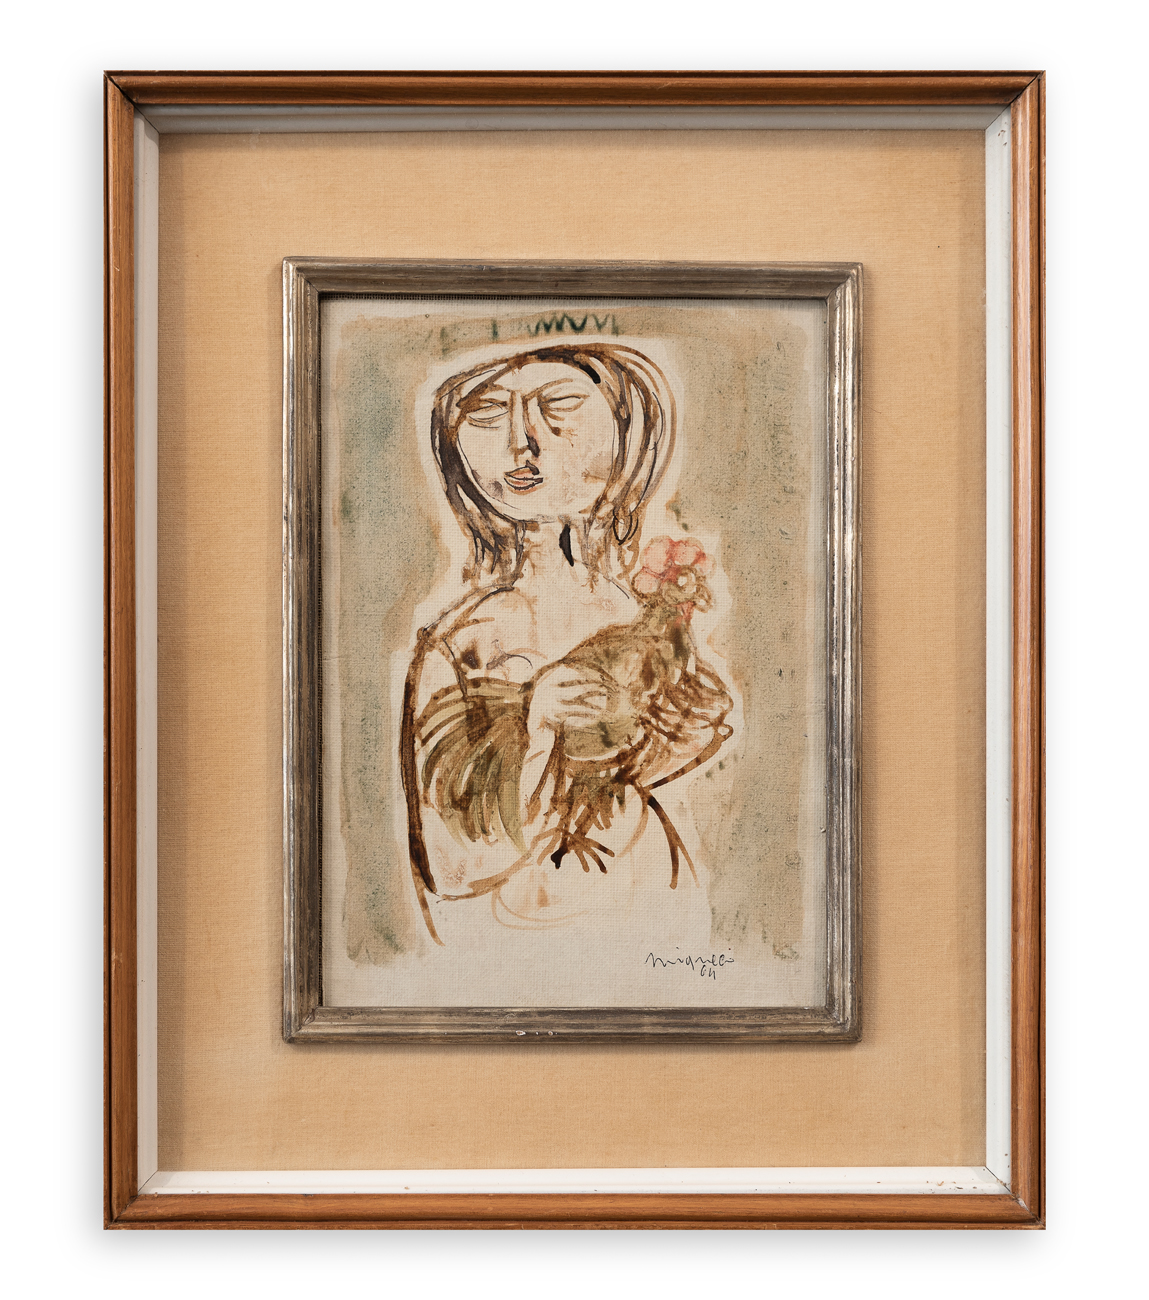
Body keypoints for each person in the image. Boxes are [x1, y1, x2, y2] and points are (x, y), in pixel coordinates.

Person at [400, 342, 733, 944]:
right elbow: (449, 868)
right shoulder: (460, 641)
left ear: (626, 431)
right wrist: (537, 724)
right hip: (520, 926)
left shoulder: (641, 608)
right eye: (487, 414)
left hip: (652, 895)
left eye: (558, 405)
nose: (520, 443)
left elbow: (686, 747)